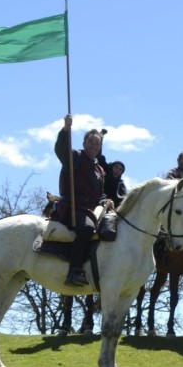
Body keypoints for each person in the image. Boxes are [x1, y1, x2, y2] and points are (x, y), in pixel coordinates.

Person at [54, 115, 113, 287]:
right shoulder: (74, 157)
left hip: (91, 209)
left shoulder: (100, 169)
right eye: (91, 142)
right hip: (73, 206)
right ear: (84, 143)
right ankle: (74, 271)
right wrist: (66, 129)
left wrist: (105, 200)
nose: (94, 146)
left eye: (97, 143)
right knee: (87, 228)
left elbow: (99, 194)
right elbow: (60, 149)